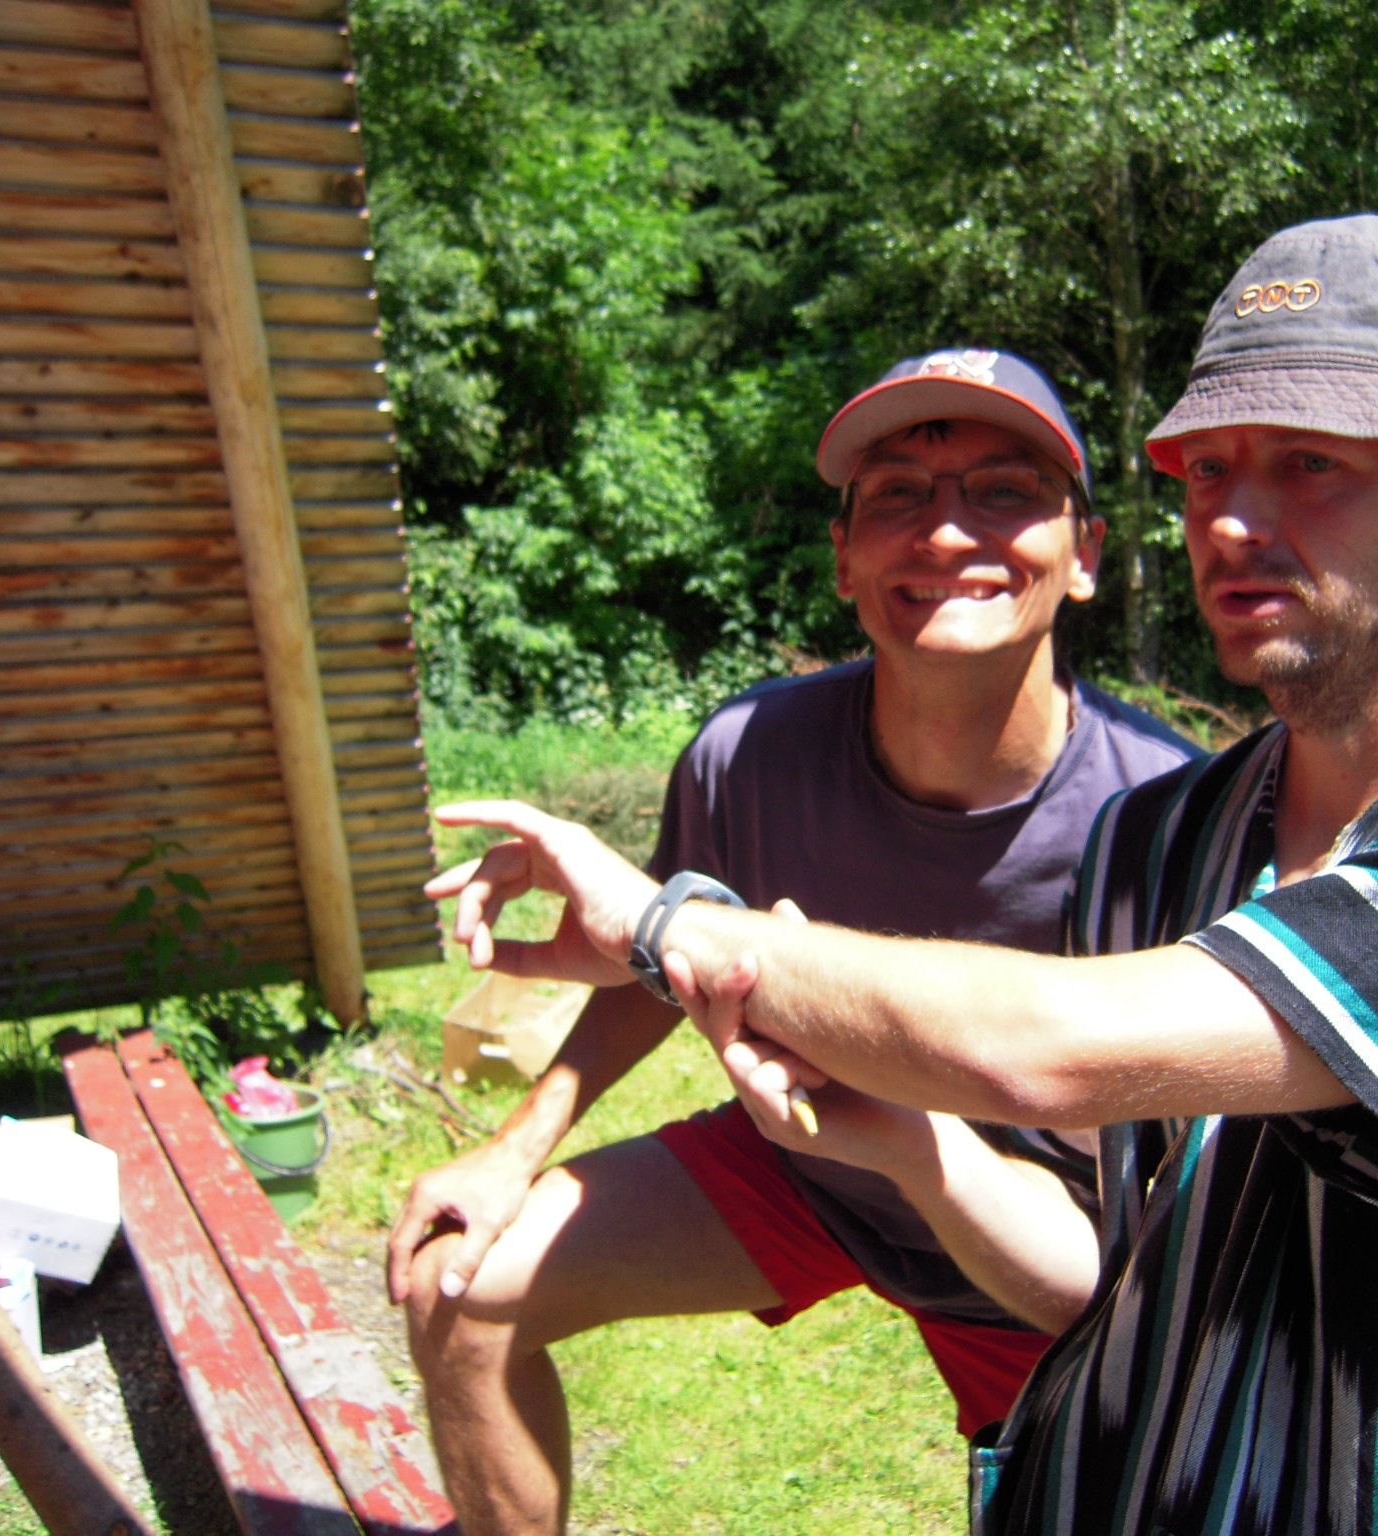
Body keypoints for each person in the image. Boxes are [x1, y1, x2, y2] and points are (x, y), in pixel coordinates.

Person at [428, 216, 1378, 1535]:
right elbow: (1111, 1276)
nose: (1232, 518)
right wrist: (918, 1147)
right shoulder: (1164, 839)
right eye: (1207, 467)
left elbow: (1040, 1055)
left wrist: (670, 925)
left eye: (1311, 463)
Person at [388, 350, 1198, 1535]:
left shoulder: (1173, 820)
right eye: (898, 495)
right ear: (842, 558)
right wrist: (515, 1147)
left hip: (1043, 1261)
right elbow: (660, 962)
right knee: (457, 1286)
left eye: (1004, 492)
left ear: (1083, 554)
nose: (945, 531)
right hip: (805, 1165)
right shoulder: (746, 754)